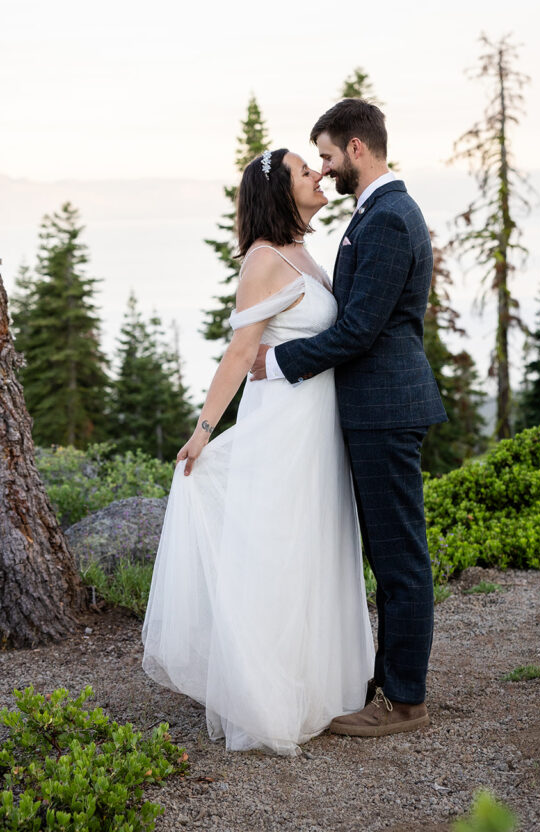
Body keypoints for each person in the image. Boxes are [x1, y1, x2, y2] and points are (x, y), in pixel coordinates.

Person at [141, 148, 374, 757]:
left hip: (319, 425)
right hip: (285, 428)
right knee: (280, 549)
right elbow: (241, 353)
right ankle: (268, 698)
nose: (318, 174)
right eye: (305, 170)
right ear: (279, 191)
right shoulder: (264, 261)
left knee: (318, 544)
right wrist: (203, 428)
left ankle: (321, 685)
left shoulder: (301, 251)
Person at [251, 99, 447, 737]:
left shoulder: (388, 218)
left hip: (385, 408)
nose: (327, 171)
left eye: (329, 157)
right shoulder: (377, 212)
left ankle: (404, 700)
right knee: (390, 554)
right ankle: (390, 679)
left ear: (357, 149)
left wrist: (280, 362)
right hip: (375, 408)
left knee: (399, 558)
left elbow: (361, 330)